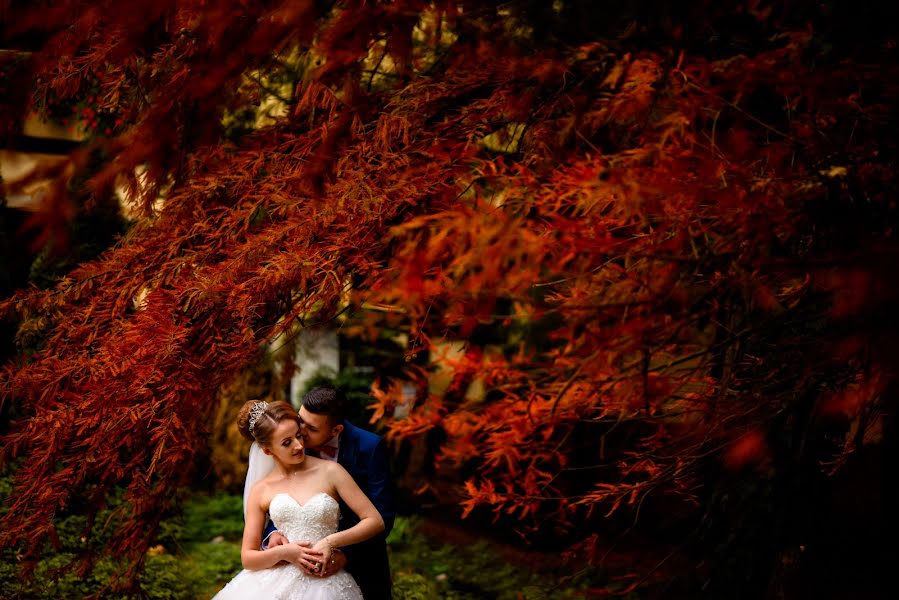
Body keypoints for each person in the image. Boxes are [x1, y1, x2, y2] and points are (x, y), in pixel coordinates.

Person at [213, 400, 384, 600]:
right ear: (267, 451)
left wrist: (330, 542)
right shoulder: (261, 490)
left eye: (299, 435)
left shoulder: (331, 471)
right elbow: (248, 557)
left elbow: (375, 521)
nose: (299, 445)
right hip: (273, 582)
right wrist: (285, 553)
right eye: (287, 442)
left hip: (328, 582)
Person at [266, 386, 396, 599]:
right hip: (299, 561)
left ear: (336, 430)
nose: (301, 433)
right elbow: (276, 491)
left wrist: (344, 555)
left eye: (312, 429)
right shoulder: (292, 443)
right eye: (301, 420)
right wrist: (273, 532)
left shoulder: (370, 447)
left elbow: (384, 515)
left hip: (362, 558)